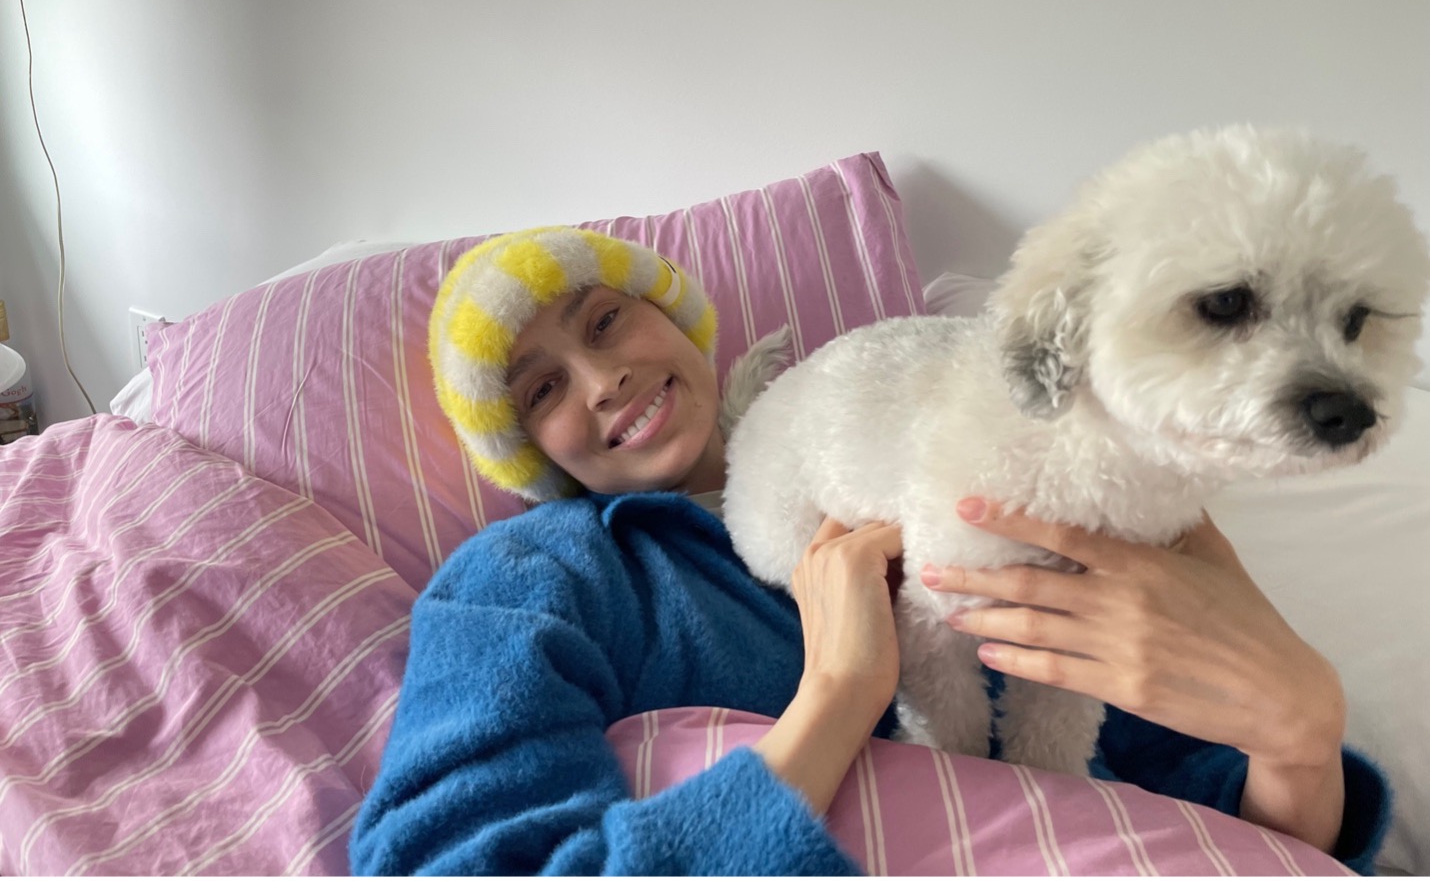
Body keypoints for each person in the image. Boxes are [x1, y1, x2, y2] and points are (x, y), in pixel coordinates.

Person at [349, 226, 1389, 875]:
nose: (600, 379)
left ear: (675, 322)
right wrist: (841, 692)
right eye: (540, 388)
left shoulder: (992, 477)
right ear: (526, 450)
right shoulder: (531, 580)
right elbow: (454, 863)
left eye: (608, 320)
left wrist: (1297, 732)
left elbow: (1211, 820)